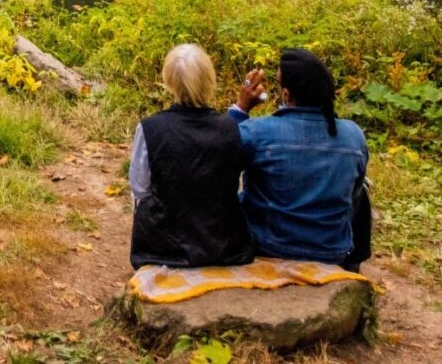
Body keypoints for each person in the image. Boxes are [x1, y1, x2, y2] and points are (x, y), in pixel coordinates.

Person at [229, 49, 370, 270]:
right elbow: (354, 194)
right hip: (331, 250)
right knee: (363, 192)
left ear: (285, 95)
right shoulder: (353, 135)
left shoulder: (257, 132)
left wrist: (241, 107)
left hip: (267, 245)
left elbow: (217, 155)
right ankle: (353, 265)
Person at [128, 44, 255, 269]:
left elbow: (140, 188)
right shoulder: (232, 128)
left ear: (169, 81)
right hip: (224, 247)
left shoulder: (150, 128)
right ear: (209, 80)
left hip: (163, 248)